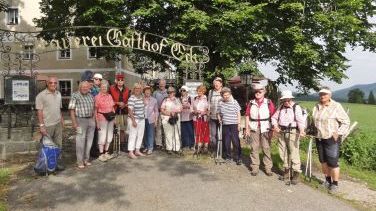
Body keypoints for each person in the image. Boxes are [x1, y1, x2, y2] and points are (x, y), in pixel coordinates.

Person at [313, 87, 350, 194]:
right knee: (323, 161)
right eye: (321, 94)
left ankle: (335, 184)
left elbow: (346, 121)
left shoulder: (336, 106)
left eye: (325, 94)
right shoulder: (317, 106)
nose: (322, 96)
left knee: (333, 162)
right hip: (319, 137)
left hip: (331, 138)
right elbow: (314, 121)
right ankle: (327, 181)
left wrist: (338, 132)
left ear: (330, 95)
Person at [271, 90, 306, 184]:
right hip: (282, 131)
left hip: (292, 131)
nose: (286, 101)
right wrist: (275, 126)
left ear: (290, 98)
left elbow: (300, 121)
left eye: (288, 99)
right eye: (284, 99)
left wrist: (302, 131)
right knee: (282, 151)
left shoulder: (296, 107)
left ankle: (296, 174)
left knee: (294, 152)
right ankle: (286, 171)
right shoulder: (281, 107)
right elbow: (274, 118)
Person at [245, 84, 276, 176]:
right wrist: (247, 129)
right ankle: (255, 167)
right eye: (256, 92)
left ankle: (268, 168)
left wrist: (272, 129)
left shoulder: (269, 102)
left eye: (260, 91)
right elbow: (247, 116)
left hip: (266, 127)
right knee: (254, 148)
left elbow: (273, 116)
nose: (257, 93)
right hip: (254, 127)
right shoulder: (251, 103)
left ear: (264, 92)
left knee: (266, 148)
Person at [35, 76, 65, 171]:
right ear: (47, 83)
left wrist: (62, 120)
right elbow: (39, 112)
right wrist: (41, 126)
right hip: (47, 125)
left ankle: (56, 164)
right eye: (51, 83)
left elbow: (58, 109)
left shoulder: (58, 94)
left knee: (58, 145)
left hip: (57, 124)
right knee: (47, 146)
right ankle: (45, 165)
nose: (53, 84)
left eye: (55, 83)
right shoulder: (41, 95)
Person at [68, 81, 95, 169]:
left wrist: (93, 119)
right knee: (80, 141)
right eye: (83, 87)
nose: (85, 88)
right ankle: (80, 161)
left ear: (89, 88)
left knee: (89, 141)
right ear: (80, 87)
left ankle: (86, 159)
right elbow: (71, 110)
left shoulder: (90, 96)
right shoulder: (75, 95)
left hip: (90, 120)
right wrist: (74, 123)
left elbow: (94, 108)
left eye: (86, 87)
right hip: (80, 120)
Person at [217, 87, 242, 165]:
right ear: (222, 96)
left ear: (230, 94)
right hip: (225, 125)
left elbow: (238, 113)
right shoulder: (220, 103)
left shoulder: (234, 102)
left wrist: (239, 124)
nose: (226, 96)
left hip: (234, 124)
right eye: (225, 95)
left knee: (236, 142)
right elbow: (218, 113)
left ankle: (238, 157)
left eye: (228, 95)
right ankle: (228, 157)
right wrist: (219, 119)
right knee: (226, 142)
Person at [95, 80, 116, 162]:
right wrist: (97, 122)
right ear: (100, 87)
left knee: (109, 136)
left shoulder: (109, 96)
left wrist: (114, 118)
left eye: (106, 87)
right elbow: (95, 110)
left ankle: (106, 152)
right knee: (102, 136)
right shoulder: (97, 97)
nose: (104, 88)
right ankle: (101, 154)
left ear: (107, 88)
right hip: (101, 118)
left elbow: (112, 108)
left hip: (110, 118)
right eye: (103, 87)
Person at [109, 73, 130, 152]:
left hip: (124, 111)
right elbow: (109, 99)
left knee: (122, 129)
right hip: (114, 111)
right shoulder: (111, 89)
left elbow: (129, 100)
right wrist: (117, 103)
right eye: (119, 80)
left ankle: (122, 145)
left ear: (124, 81)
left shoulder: (127, 90)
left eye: (122, 80)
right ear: (116, 81)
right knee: (113, 129)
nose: (120, 81)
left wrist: (125, 104)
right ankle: (111, 146)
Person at [160, 87, 182, 154]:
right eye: (169, 92)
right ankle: (169, 148)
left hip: (176, 118)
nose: (170, 93)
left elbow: (181, 109)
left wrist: (174, 112)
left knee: (176, 134)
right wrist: (169, 113)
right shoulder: (165, 100)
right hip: (167, 118)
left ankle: (177, 149)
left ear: (174, 92)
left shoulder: (178, 100)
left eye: (172, 92)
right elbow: (162, 109)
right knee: (168, 134)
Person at [127, 83, 146, 159]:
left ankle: (137, 150)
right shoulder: (132, 98)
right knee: (133, 135)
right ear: (134, 89)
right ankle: (131, 152)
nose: (138, 89)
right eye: (136, 88)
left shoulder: (141, 97)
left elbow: (144, 105)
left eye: (139, 88)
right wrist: (133, 121)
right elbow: (130, 110)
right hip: (134, 119)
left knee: (140, 135)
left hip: (142, 119)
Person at [192, 85, 210, 153]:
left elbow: (209, 110)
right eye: (198, 91)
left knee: (205, 132)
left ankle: (205, 147)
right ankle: (199, 146)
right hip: (196, 118)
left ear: (203, 91)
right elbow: (192, 108)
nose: (198, 92)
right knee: (198, 132)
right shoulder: (195, 99)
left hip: (204, 118)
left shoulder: (206, 99)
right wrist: (195, 111)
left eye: (200, 91)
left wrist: (204, 112)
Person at [208, 77, 223, 151]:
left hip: (222, 117)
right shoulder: (211, 92)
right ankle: (214, 149)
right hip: (212, 116)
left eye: (217, 83)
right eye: (215, 84)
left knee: (221, 134)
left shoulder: (224, 92)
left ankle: (221, 150)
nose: (216, 85)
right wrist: (208, 112)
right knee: (213, 135)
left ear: (221, 84)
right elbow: (209, 103)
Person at [143, 86, 159, 155]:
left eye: (149, 90)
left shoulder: (154, 100)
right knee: (144, 134)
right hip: (143, 119)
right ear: (144, 92)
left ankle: (150, 148)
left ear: (151, 92)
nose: (147, 92)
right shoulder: (141, 99)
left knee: (150, 134)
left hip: (151, 119)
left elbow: (156, 111)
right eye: (146, 91)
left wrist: (156, 120)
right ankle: (146, 146)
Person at [153, 79, 168, 149]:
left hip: (166, 113)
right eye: (160, 83)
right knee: (158, 128)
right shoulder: (155, 93)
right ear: (158, 84)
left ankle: (166, 142)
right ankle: (159, 143)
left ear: (165, 84)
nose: (161, 85)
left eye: (163, 83)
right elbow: (152, 102)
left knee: (165, 127)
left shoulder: (168, 92)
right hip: (158, 112)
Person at [180, 85, 195, 150]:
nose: (182, 92)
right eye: (181, 90)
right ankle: (185, 145)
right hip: (182, 117)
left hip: (189, 117)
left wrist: (187, 106)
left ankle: (192, 145)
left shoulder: (190, 98)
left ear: (187, 91)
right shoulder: (179, 98)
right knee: (184, 132)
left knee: (190, 131)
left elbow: (193, 106)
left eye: (184, 90)